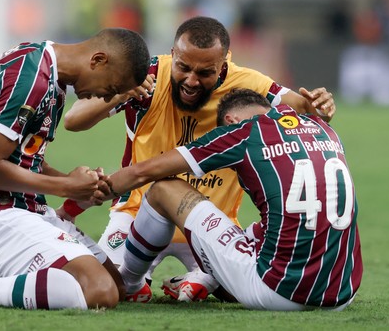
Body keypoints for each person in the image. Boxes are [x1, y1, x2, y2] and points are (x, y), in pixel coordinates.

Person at [58, 16, 336, 301]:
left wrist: (321, 105)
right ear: (173, 54)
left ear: (223, 64)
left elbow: (307, 111)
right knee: (108, 289)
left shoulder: (250, 84)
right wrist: (122, 94)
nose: (191, 81)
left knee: (241, 292)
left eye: (204, 72)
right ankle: (161, 279)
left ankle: (196, 278)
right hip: (136, 213)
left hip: (209, 221)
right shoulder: (147, 75)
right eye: (183, 67)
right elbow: (73, 120)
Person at [0, 28, 151, 310]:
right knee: (98, 292)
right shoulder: (31, 77)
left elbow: (25, 159)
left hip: (27, 211)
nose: (106, 98)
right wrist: (66, 186)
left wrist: (78, 184)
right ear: (98, 60)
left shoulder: (47, 73)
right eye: (112, 88)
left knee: (116, 285)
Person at [108, 88, 362, 310]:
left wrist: (97, 190)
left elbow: (145, 171)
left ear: (231, 121)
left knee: (164, 189)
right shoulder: (323, 128)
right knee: (268, 228)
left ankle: (130, 283)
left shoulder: (245, 132)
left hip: (279, 292)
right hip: (341, 294)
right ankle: (204, 278)